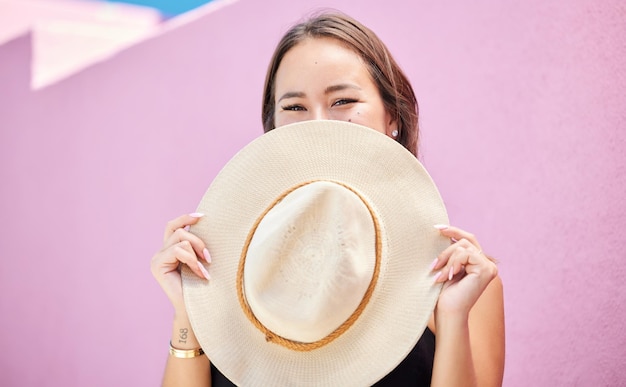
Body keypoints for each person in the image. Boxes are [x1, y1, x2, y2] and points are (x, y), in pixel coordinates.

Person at [151, 10, 505, 387]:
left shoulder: (461, 281)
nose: (318, 124)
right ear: (272, 127)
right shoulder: (226, 266)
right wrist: (188, 312)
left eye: (342, 101)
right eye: (294, 107)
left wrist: (451, 318)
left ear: (393, 117)